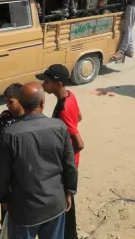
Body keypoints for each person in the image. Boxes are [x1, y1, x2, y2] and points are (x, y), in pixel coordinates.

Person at [0, 83, 78, 239]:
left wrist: (3, 198)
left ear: (21, 103)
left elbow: (3, 174)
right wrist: (69, 191)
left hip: (23, 210)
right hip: (54, 204)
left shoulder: (10, 134)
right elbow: (70, 165)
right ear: (42, 103)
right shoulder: (59, 127)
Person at [39, 65, 84, 239]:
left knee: (66, 202)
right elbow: (79, 117)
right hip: (70, 161)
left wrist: (66, 161)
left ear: (58, 84)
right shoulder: (70, 96)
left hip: (67, 165)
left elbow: (79, 143)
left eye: (47, 81)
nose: (43, 84)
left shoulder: (63, 109)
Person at [0, 83, 25, 224]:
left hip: (21, 167)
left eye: (11, 102)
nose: (8, 106)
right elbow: (0, 139)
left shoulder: (29, 117)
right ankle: (4, 228)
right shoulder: (4, 116)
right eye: (6, 102)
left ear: (21, 100)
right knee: (4, 200)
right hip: (6, 167)